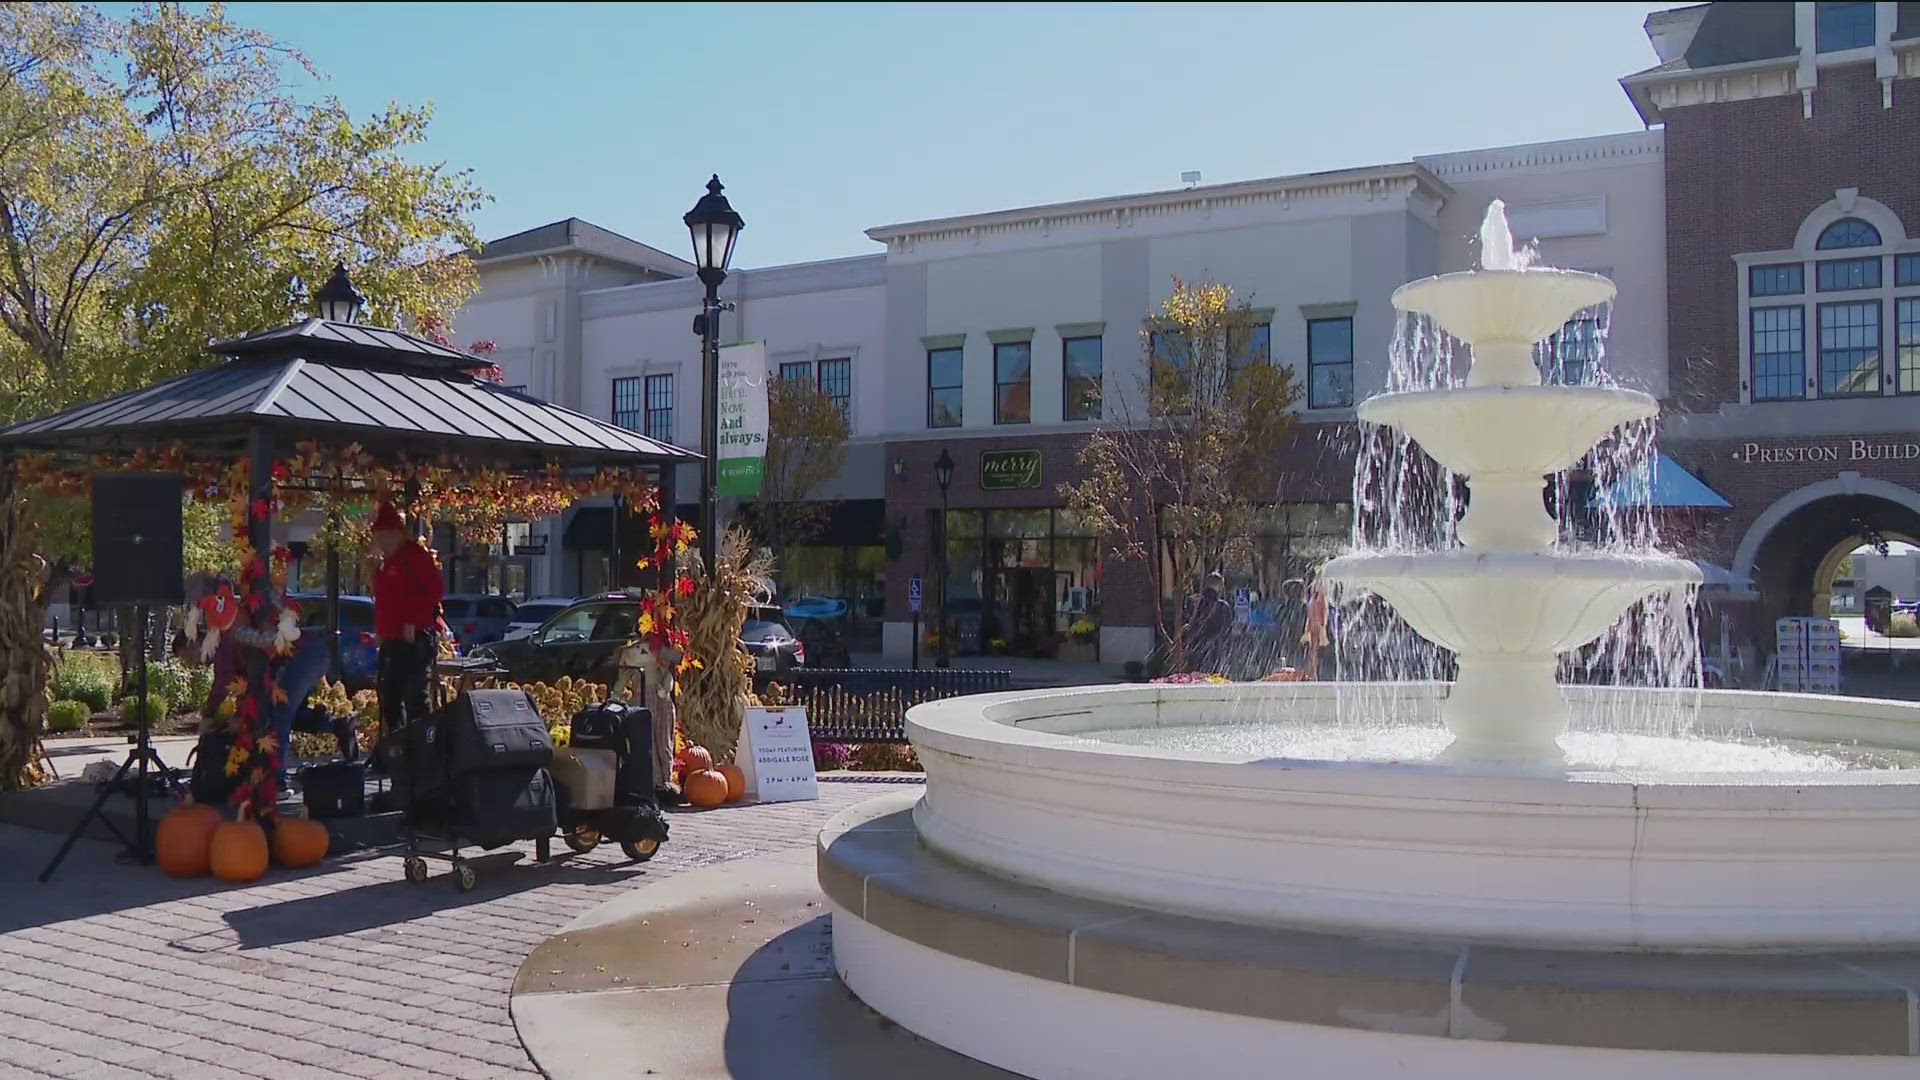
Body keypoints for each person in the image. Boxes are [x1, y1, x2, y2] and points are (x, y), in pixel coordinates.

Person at [370, 503, 443, 740]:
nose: (380, 543)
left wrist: (412, 620)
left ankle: (424, 751)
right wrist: (381, 631)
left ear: (396, 535)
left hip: (415, 638)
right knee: (389, 696)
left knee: (416, 699)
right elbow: (385, 601)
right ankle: (398, 749)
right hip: (392, 639)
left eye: (383, 537)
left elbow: (434, 591)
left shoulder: (415, 557)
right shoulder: (388, 563)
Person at [1181, 571, 1233, 675]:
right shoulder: (1223, 607)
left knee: (1194, 680)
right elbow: (1227, 632)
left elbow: (1185, 625)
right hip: (1215, 653)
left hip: (1194, 651)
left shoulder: (1193, 601)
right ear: (1220, 587)